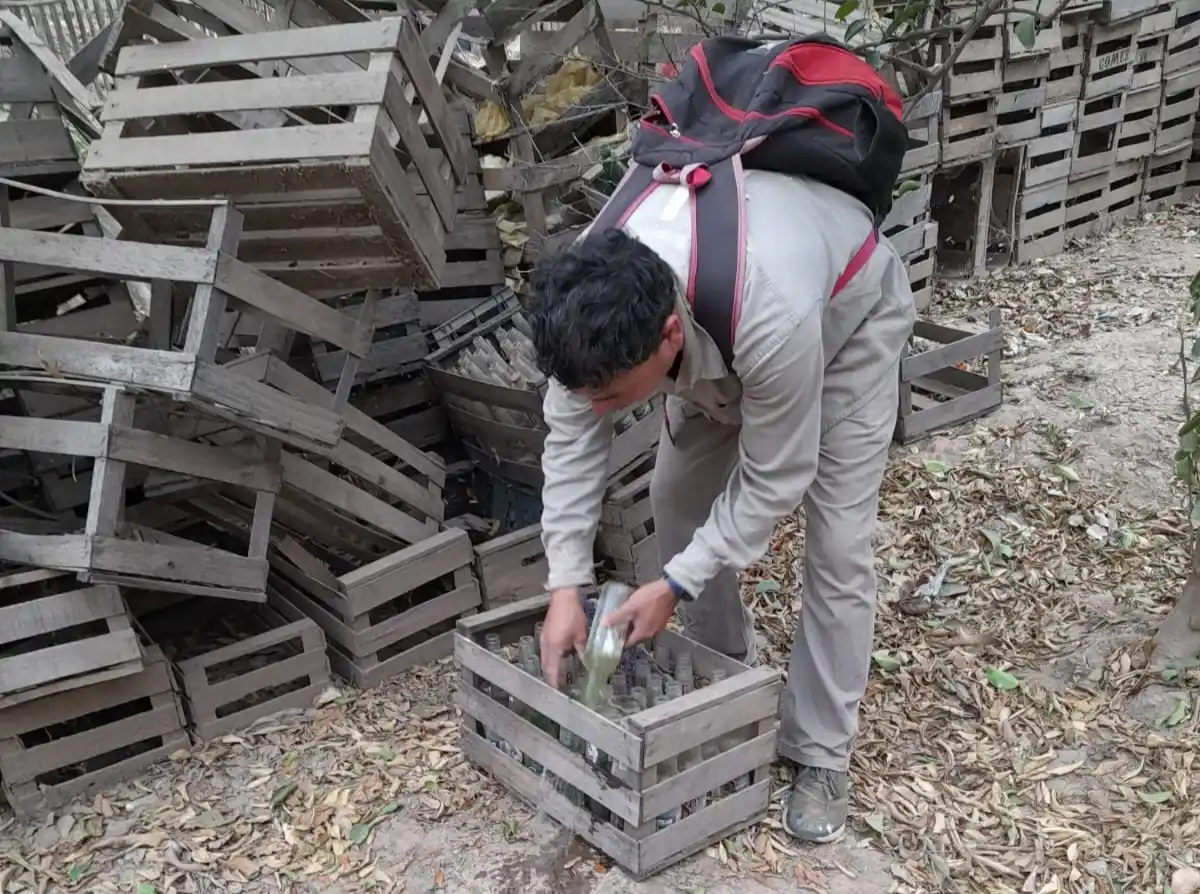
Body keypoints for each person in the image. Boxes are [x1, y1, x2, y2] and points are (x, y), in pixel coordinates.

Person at [527, 159, 916, 843]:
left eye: (612, 396)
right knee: (675, 494)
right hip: (723, 339)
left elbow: (777, 474)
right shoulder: (582, 313)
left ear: (668, 337)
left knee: (837, 546)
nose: (599, 409)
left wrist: (675, 583)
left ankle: (821, 752)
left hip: (844, 323)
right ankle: (724, 666)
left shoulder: (770, 306)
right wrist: (564, 586)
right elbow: (570, 446)